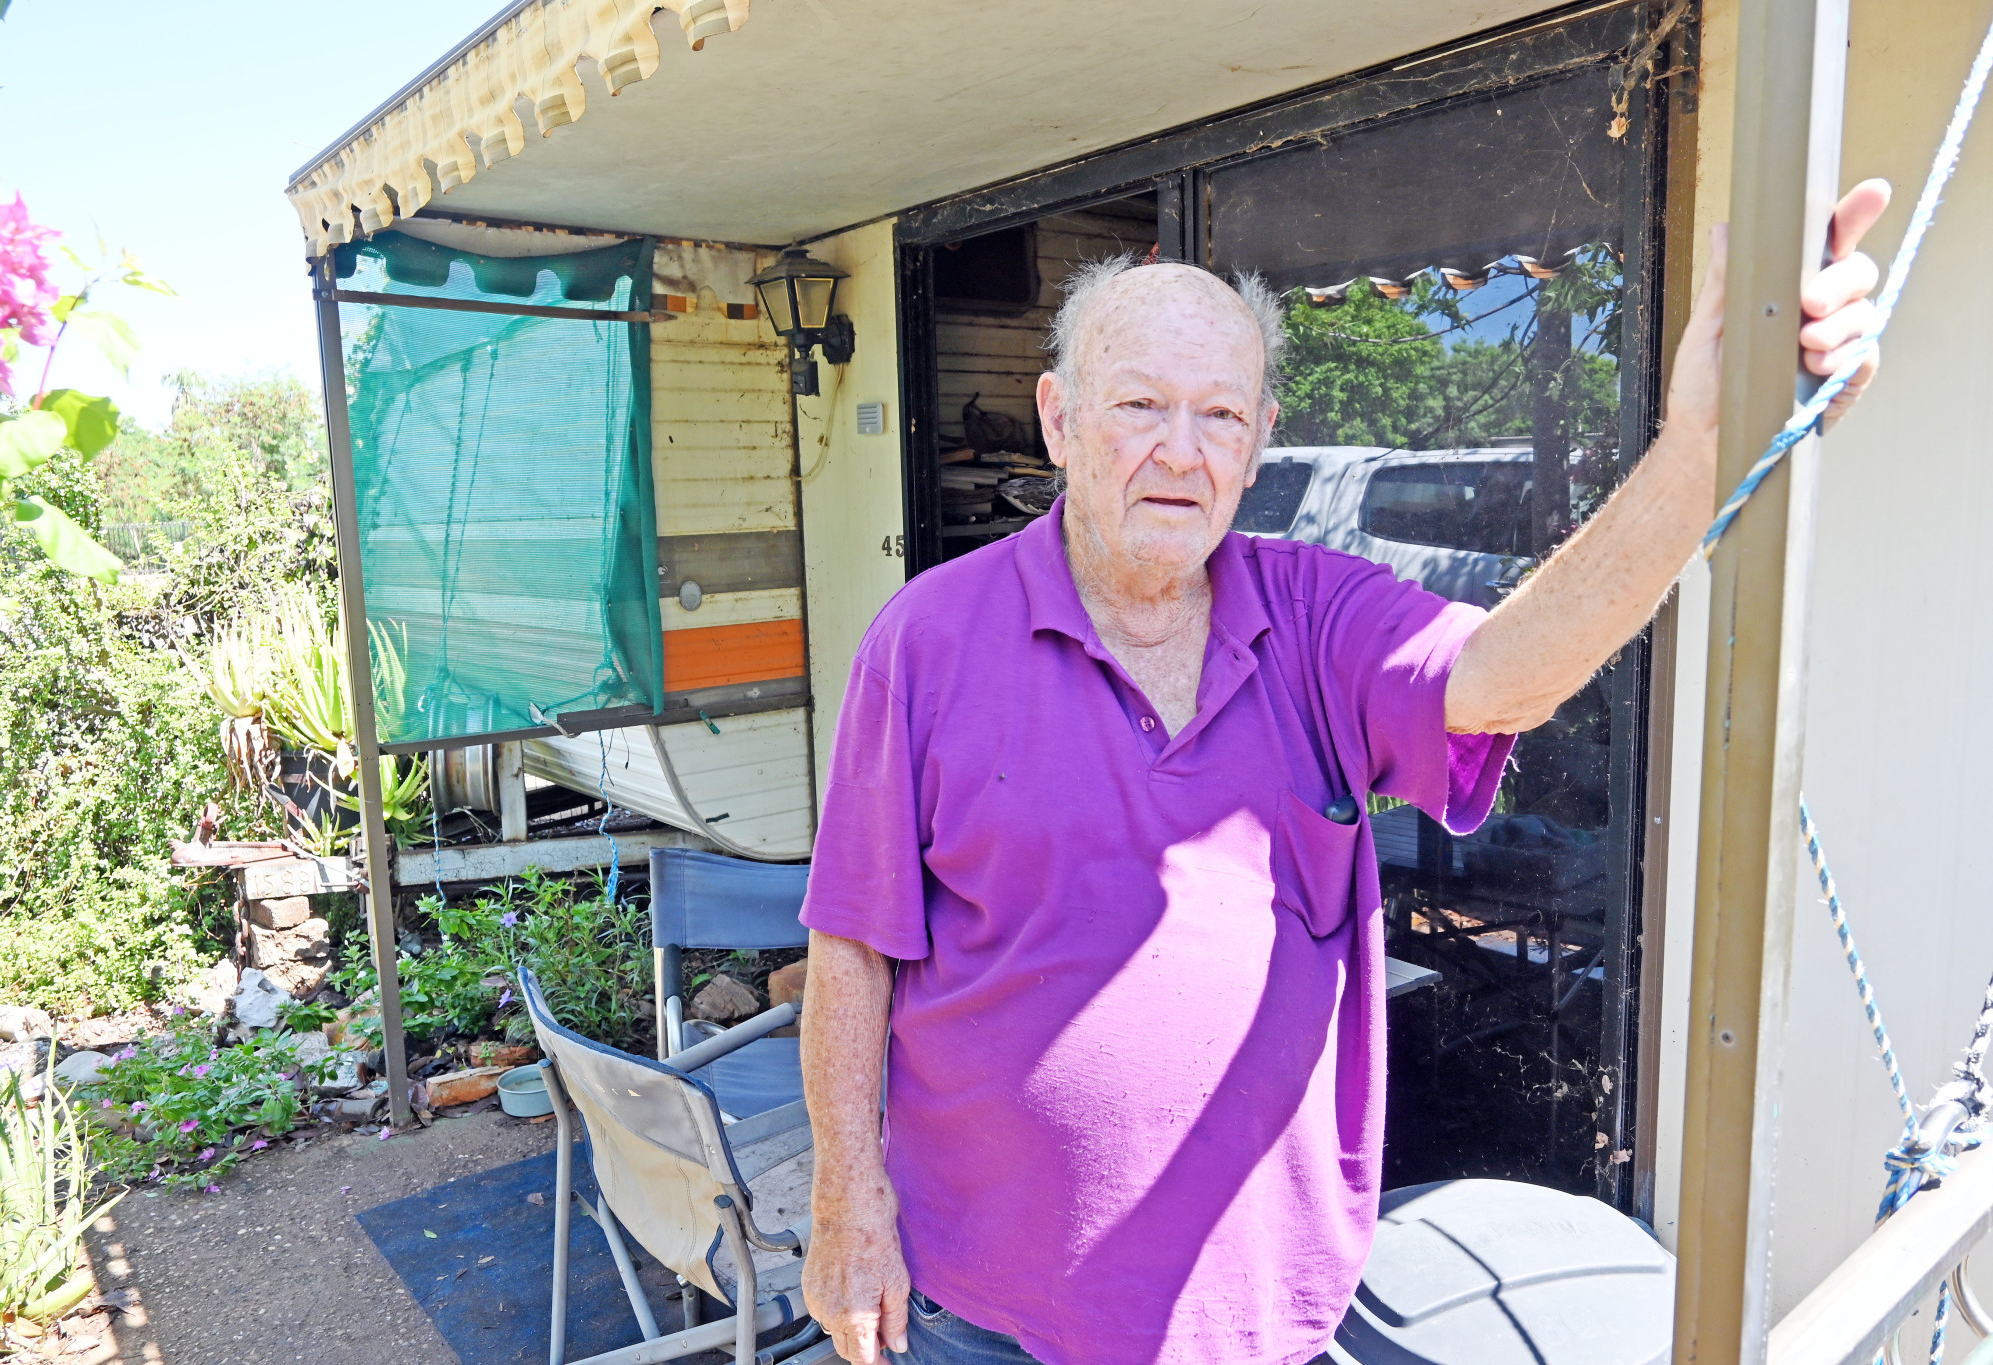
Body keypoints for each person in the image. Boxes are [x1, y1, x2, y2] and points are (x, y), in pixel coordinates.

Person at [796, 182, 1892, 1365]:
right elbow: (854, 944)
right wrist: (846, 1205)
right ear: (1058, 421)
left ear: (1261, 436)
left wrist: (1694, 453)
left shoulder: (1317, 620)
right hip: (984, 1308)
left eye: (1219, 414)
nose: (1180, 450)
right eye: (1138, 406)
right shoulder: (925, 642)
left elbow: (1504, 675)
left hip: (1257, 1314)